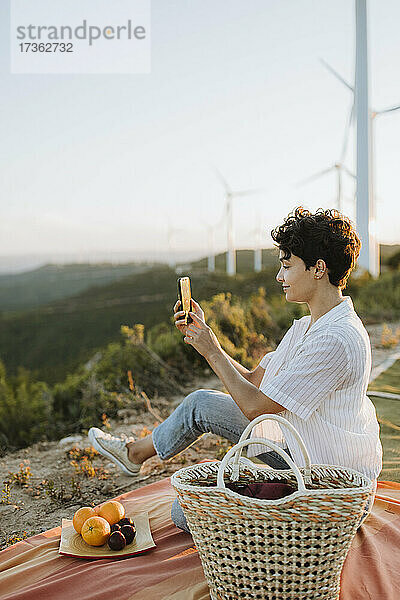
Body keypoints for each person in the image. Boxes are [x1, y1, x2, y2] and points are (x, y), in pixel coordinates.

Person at [88, 207, 382, 533]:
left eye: (287, 266)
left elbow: (256, 406)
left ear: (319, 269)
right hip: (301, 449)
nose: (279, 277)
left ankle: (272, 513)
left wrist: (212, 351)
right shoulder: (308, 326)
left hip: (329, 485)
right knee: (201, 402)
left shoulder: (335, 340)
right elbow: (256, 381)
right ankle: (134, 454)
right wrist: (208, 338)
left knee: (184, 513)